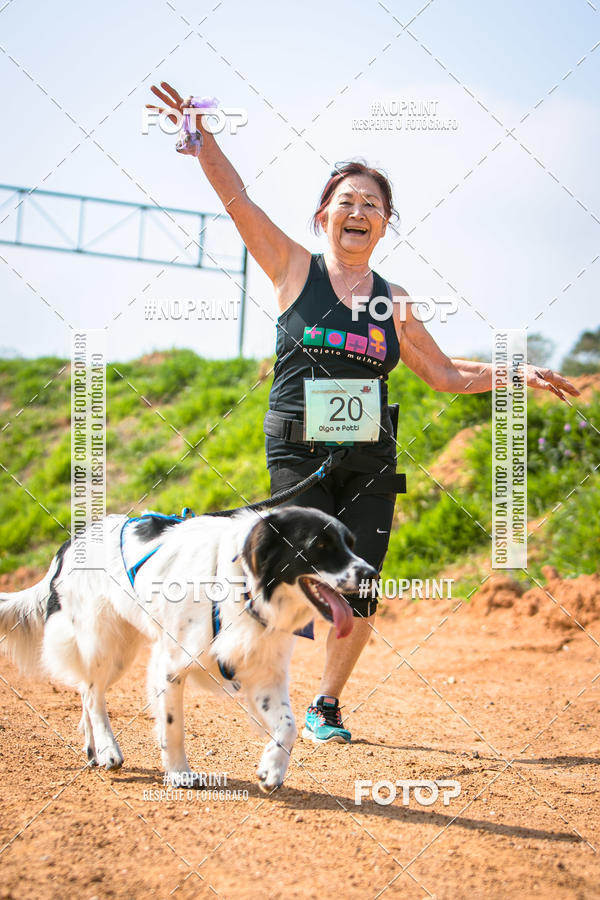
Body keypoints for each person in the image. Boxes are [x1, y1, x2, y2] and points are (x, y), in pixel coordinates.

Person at [147, 82, 580, 744]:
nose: (359, 210)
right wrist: (203, 139)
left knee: (363, 582)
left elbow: (442, 373)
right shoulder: (293, 268)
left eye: (372, 205)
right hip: (297, 451)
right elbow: (238, 202)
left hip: (371, 458)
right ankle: (240, 661)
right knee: (286, 573)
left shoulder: (394, 299)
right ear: (323, 215)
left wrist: (515, 374)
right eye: (347, 201)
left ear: (385, 222)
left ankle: (325, 706)